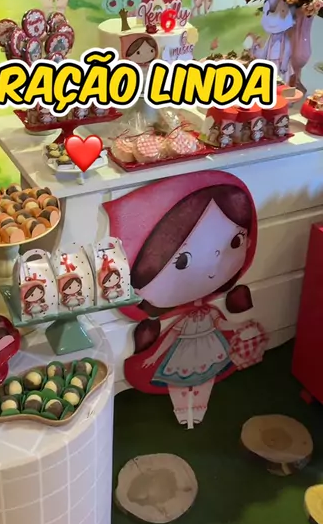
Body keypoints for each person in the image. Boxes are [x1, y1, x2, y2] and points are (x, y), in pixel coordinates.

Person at [104, 172, 263, 427]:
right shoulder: (183, 316)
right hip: (184, 353)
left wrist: (240, 328)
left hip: (211, 351)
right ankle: (183, 415)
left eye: (235, 241)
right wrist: (153, 357)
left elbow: (223, 325)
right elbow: (169, 338)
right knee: (179, 383)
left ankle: (196, 414)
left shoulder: (210, 312)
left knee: (204, 381)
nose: (210, 271)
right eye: (182, 261)